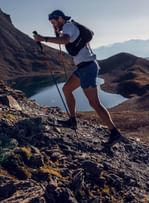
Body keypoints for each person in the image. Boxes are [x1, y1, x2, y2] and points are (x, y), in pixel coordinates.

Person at [33, 9, 123, 146]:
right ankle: (72, 120)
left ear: (60, 19)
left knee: (94, 103)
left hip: (87, 68)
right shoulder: (67, 27)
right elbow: (63, 38)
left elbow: (65, 40)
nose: (53, 24)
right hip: (84, 68)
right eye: (51, 22)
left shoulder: (68, 26)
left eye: (53, 21)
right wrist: (55, 31)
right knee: (67, 89)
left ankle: (115, 133)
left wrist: (43, 39)